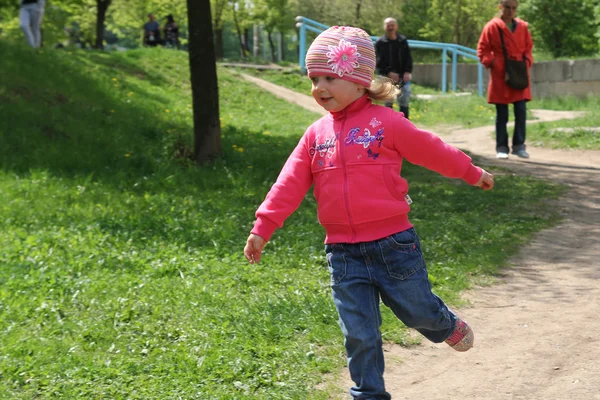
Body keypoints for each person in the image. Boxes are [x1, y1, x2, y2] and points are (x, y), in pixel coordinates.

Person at [244, 26, 494, 399]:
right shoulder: (315, 136)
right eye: (314, 79)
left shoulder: (386, 123)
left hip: (394, 245)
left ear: (360, 81)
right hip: (343, 254)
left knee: (417, 314)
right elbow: (289, 183)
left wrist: (471, 172)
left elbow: (433, 150)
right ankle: (368, 394)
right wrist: (263, 226)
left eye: (330, 77)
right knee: (359, 334)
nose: (320, 87)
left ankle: (444, 325)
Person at [477, 0, 533, 159]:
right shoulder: (492, 26)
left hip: (519, 72)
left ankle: (519, 146)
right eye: (507, 7)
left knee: (521, 111)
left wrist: (527, 62)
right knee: (502, 114)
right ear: (500, 7)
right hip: (501, 75)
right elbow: (482, 50)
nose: (510, 11)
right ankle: (501, 147)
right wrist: (495, 64)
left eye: (514, 8)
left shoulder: (523, 27)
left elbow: (528, 48)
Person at [375, 17, 413, 119]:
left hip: (402, 78)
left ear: (396, 26)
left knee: (404, 104)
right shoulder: (380, 43)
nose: (390, 27)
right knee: (388, 105)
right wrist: (389, 73)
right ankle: (389, 127)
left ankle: (405, 127)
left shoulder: (402, 41)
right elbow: (378, 62)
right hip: (386, 79)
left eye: (392, 25)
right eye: (388, 25)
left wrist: (407, 72)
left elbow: (408, 58)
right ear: (384, 27)